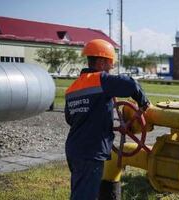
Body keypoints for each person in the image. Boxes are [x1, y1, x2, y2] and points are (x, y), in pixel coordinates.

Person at [64, 39, 150, 200]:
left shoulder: (72, 88)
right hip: (91, 151)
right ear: (102, 62)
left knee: (80, 191)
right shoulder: (101, 80)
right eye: (110, 64)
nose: (111, 68)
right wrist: (144, 103)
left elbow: (70, 119)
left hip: (74, 149)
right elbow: (131, 84)